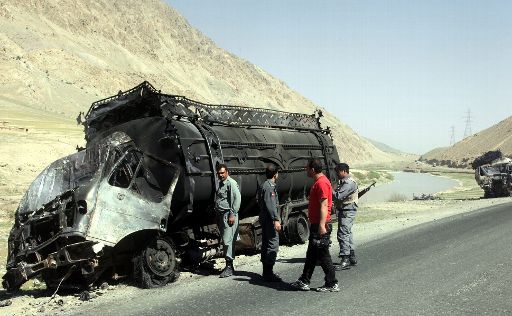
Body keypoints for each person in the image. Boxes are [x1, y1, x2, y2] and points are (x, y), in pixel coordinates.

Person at [290, 159, 339, 292]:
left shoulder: (322, 183)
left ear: (312, 169)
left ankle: (332, 283)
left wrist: (322, 225)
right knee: (311, 254)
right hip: (316, 224)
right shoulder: (320, 182)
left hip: (320, 225)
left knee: (323, 255)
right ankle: (304, 280)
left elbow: (324, 204)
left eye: (307, 168)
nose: (306, 170)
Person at [214, 164, 241, 278]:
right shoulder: (221, 183)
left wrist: (232, 214)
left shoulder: (231, 183)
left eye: (222, 173)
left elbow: (237, 198)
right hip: (222, 215)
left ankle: (229, 266)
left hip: (228, 215)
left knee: (227, 241)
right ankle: (229, 266)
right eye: (219, 173)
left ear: (227, 172)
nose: (220, 175)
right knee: (226, 240)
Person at [257, 164, 282, 282]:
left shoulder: (264, 185)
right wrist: (275, 219)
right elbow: (271, 205)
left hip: (265, 218)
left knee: (266, 244)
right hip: (269, 220)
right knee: (272, 244)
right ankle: (268, 272)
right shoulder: (269, 187)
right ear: (275, 174)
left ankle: (266, 271)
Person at [333, 162, 358, 270]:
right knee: (348, 233)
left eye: (338, 172)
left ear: (344, 171)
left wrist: (329, 189)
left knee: (343, 233)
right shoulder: (344, 182)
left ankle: (345, 259)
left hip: (347, 210)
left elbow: (339, 196)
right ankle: (351, 256)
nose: (337, 174)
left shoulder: (348, 183)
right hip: (346, 210)